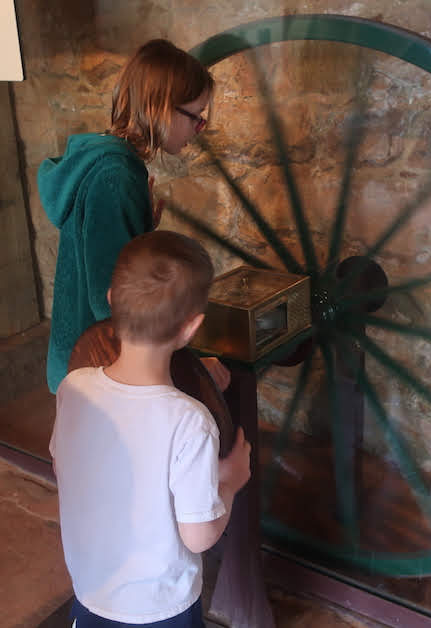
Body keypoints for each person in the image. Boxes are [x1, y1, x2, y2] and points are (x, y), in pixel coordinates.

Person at [50, 230, 251, 627]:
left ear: (111, 300)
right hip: (161, 608)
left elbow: (63, 468)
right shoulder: (190, 422)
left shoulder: (73, 387)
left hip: (91, 592)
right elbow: (198, 536)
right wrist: (230, 482)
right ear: (191, 328)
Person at [38, 39, 229, 394]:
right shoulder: (116, 177)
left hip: (84, 357)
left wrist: (140, 231)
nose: (199, 129)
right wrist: (189, 369)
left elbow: (104, 252)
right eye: (195, 116)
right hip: (95, 367)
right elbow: (114, 302)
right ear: (161, 108)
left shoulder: (105, 159)